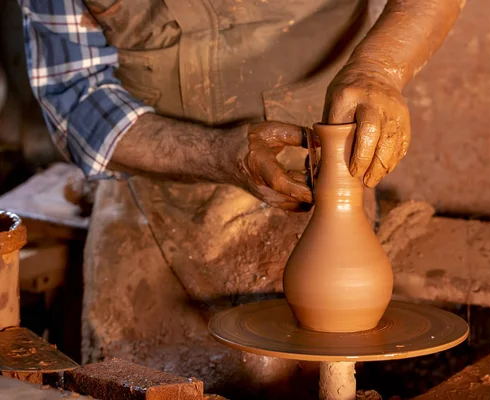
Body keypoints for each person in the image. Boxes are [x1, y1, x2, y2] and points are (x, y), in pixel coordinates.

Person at [19, 0, 464, 397]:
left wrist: (378, 70)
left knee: (310, 370)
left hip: (311, 183)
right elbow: (75, 94)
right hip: (154, 189)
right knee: (133, 380)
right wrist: (216, 155)